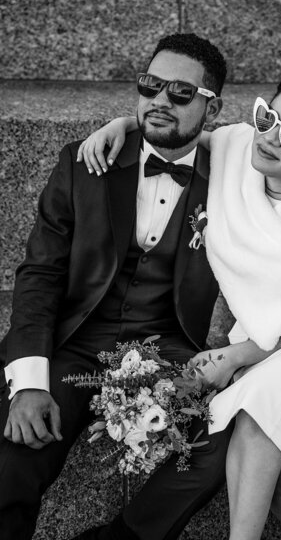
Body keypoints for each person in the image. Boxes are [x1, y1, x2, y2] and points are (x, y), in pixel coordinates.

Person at [80, 77, 281, 540]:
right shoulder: (239, 152)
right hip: (267, 342)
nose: (269, 136)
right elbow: (185, 132)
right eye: (267, 117)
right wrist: (120, 124)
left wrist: (238, 356)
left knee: (255, 417)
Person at [0, 33, 236, 540]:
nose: (159, 101)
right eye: (150, 86)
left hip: (167, 348)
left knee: (224, 435)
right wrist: (30, 381)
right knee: (15, 452)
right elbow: (39, 275)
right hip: (76, 343)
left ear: (211, 110)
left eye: (180, 93)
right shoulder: (84, 163)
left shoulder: (233, 177)